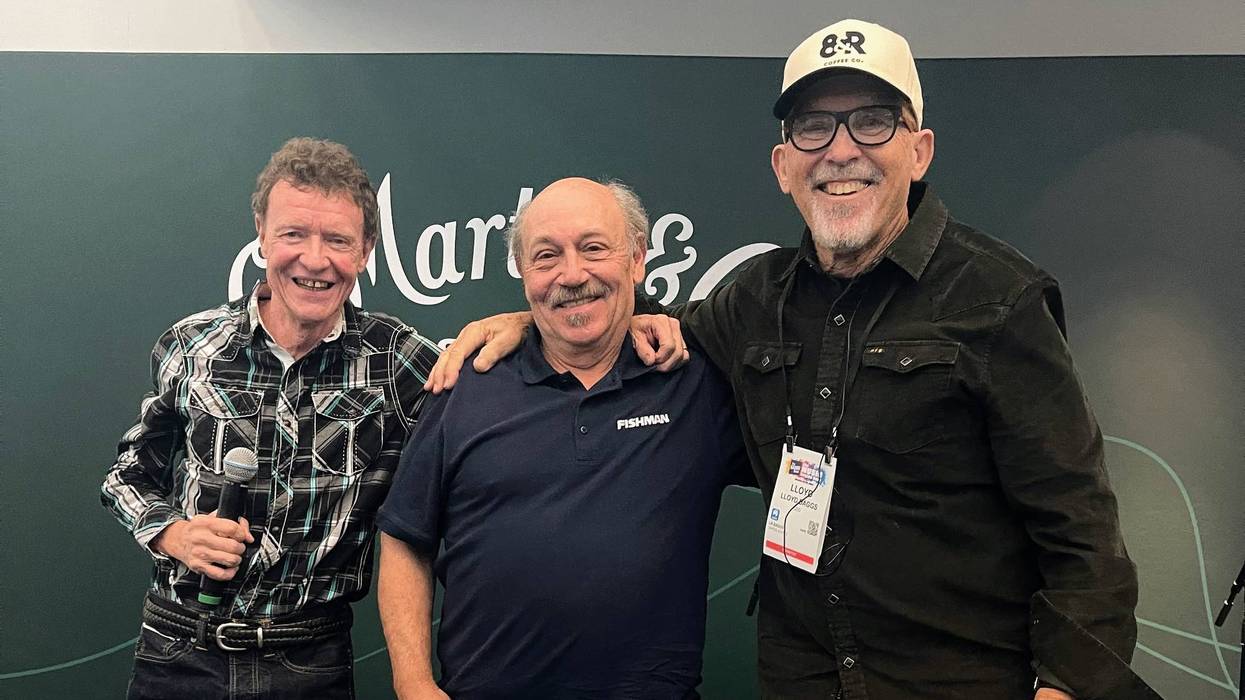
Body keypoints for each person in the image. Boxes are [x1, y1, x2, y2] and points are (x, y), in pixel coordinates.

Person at [425, 19, 1151, 700]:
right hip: (801, 675)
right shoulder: (751, 299)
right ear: (782, 164)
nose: (840, 150)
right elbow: (611, 318)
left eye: (871, 120)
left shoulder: (999, 299)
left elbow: (1080, 534)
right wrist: (532, 316)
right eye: (813, 126)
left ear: (918, 149)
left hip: (957, 678)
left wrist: (1063, 688)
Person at [375, 178, 748, 699]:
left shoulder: (693, 385)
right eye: (546, 256)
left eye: (594, 248)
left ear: (637, 258)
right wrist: (412, 682)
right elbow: (403, 537)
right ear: (524, 275)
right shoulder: (468, 384)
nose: (572, 275)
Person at [101, 137, 441, 699]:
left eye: (337, 240)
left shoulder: (400, 361)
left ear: (366, 250)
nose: (314, 259)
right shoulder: (193, 346)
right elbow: (128, 473)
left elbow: (515, 360)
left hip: (312, 658)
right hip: (179, 648)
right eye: (293, 234)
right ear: (261, 234)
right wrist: (174, 534)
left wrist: (623, 324)